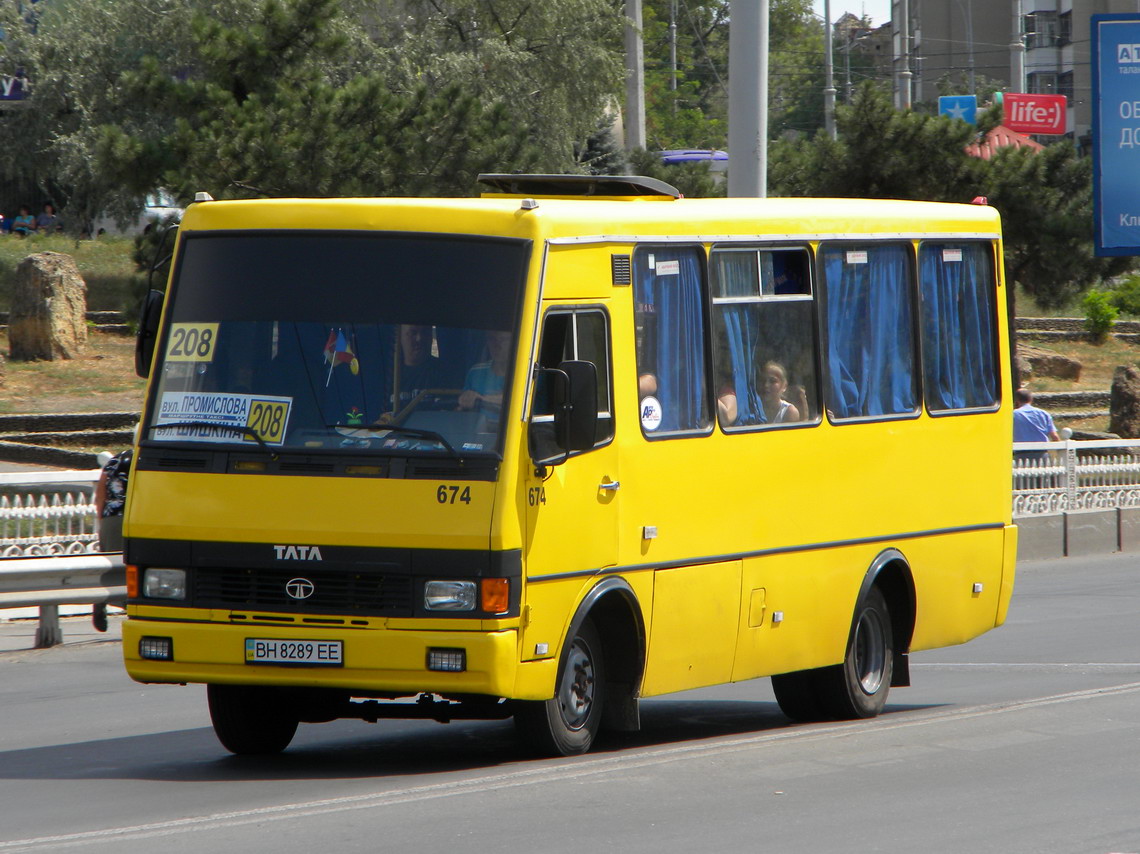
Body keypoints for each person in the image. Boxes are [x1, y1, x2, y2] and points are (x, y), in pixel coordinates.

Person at [390, 324, 445, 412]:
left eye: (425, 332)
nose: (419, 338)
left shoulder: (446, 372)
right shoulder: (388, 374)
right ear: (399, 337)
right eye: (413, 333)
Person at [459, 330, 511, 412]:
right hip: (477, 423)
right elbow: (462, 407)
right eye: (492, 339)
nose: (497, 346)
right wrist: (467, 398)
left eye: (502, 339)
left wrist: (481, 399)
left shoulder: (524, 373)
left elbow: (517, 402)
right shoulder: (475, 372)